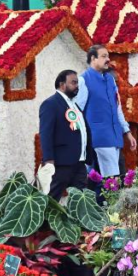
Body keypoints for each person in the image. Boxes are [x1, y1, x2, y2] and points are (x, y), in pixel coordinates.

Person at [74, 45, 135, 178]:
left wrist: (127, 132)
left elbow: (117, 108)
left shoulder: (110, 80)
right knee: (112, 181)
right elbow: (77, 110)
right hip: (99, 137)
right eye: (103, 56)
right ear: (93, 59)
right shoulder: (84, 80)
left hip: (115, 137)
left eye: (108, 56)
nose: (108, 59)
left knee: (113, 180)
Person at [39, 70, 94, 200]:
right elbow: (45, 133)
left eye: (77, 83)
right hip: (60, 164)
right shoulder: (50, 104)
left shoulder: (73, 104)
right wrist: (49, 160)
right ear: (62, 84)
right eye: (73, 83)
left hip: (79, 163)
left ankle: (77, 221)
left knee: (81, 201)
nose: (77, 86)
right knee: (51, 200)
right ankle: (46, 222)